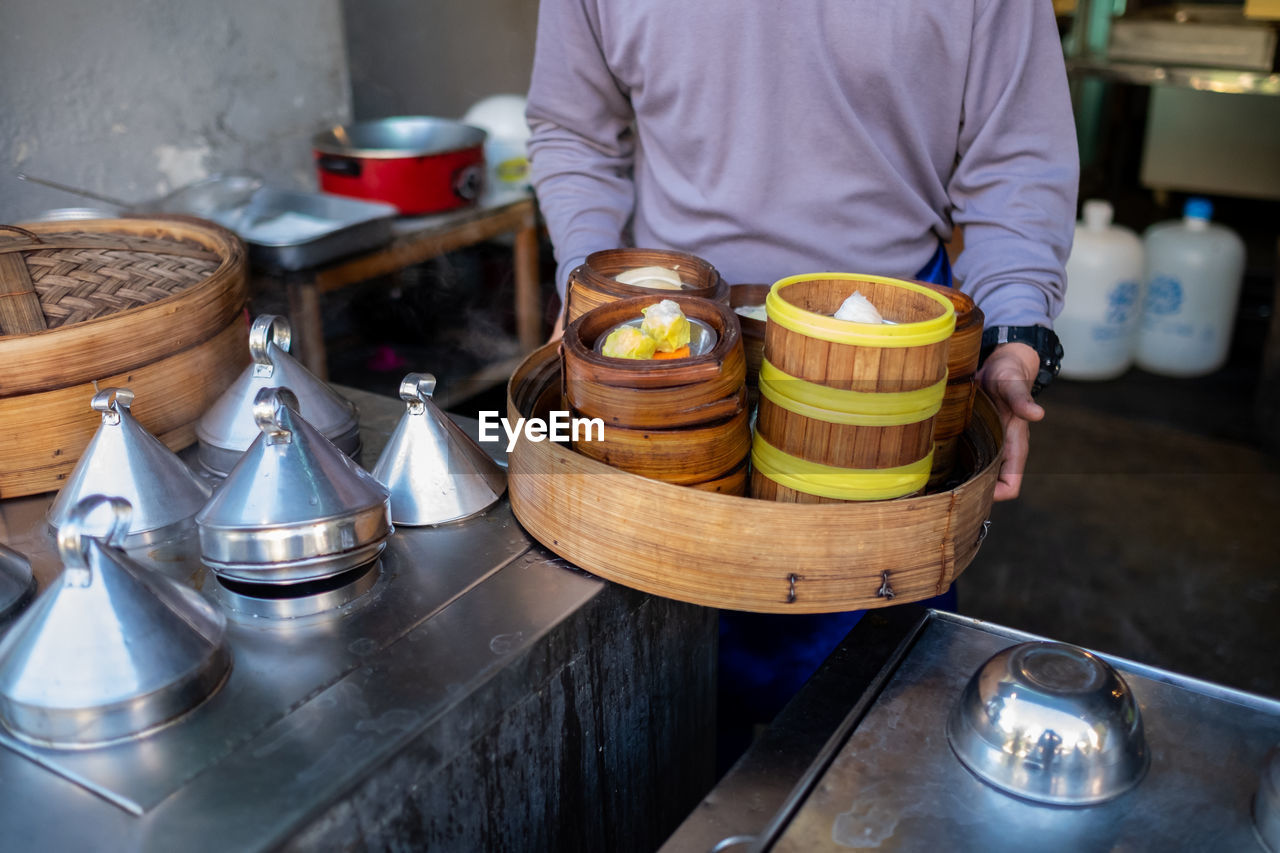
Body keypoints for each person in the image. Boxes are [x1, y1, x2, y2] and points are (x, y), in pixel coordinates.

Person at [525, 0, 1078, 760]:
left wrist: (1014, 336)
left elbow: (1018, 153)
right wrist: (590, 284)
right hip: (665, 367)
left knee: (864, 761)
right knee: (658, 749)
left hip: (891, 365)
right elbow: (574, 128)